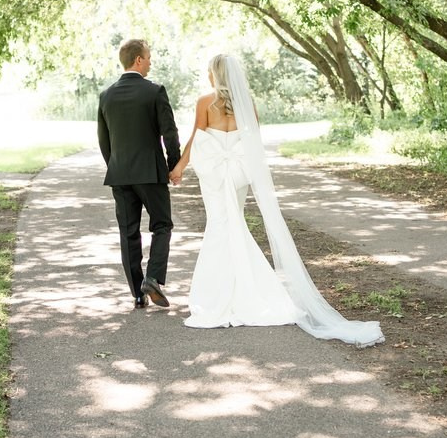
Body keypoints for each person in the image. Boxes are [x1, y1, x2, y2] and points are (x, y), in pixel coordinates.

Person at [169, 54, 384, 347]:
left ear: (216, 75)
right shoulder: (247, 104)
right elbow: (253, 146)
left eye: (210, 72)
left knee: (219, 225)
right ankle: (248, 293)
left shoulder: (205, 102)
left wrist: (180, 166)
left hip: (216, 175)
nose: (208, 77)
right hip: (238, 174)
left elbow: (196, 138)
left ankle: (218, 298)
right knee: (234, 225)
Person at [98, 39, 181, 309]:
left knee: (128, 232)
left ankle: (137, 293)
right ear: (138, 60)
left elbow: (104, 140)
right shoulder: (154, 91)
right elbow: (169, 132)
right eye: (148, 57)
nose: (150, 62)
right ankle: (153, 277)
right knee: (162, 225)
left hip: (120, 174)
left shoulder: (106, 95)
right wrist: (173, 164)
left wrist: (116, 165)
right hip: (150, 173)